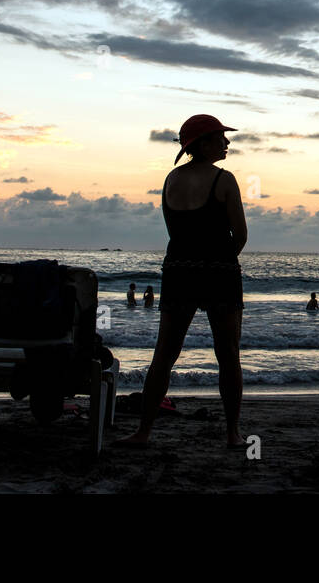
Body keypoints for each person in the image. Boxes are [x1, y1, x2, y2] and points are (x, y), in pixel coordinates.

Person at [117, 115, 246, 449]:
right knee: (228, 354)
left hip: (179, 270)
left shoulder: (171, 179)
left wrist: (194, 259)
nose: (227, 143)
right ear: (202, 143)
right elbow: (240, 235)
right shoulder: (225, 180)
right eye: (220, 137)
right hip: (219, 272)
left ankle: (143, 431)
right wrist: (219, 261)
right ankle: (232, 434)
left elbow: (175, 231)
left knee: (165, 353)